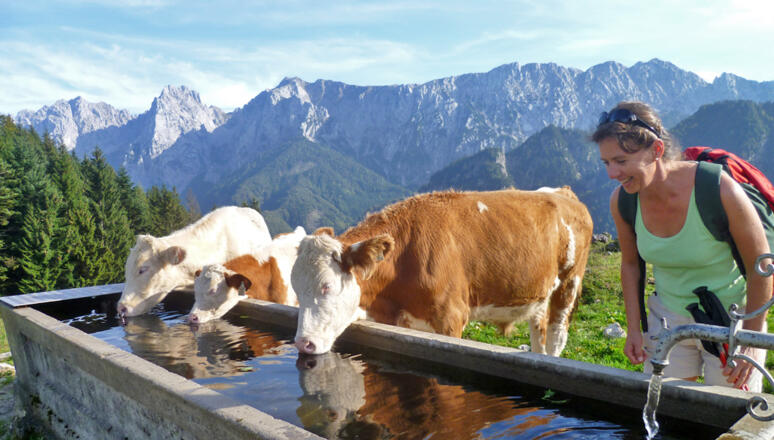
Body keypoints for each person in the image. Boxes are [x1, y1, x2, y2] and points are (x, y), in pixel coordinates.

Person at [592, 101, 771, 391]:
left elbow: (761, 267)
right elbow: (630, 265)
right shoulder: (623, 200)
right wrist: (635, 328)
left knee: (731, 418)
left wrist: (750, 343)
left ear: (656, 150)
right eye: (606, 162)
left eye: (621, 161)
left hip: (732, 321)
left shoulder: (718, 189)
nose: (612, 173)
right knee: (665, 413)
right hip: (667, 318)